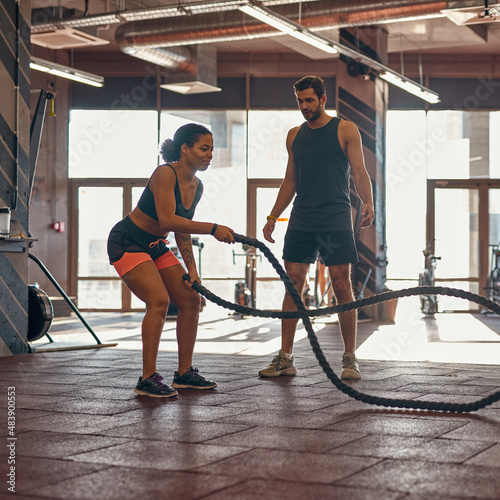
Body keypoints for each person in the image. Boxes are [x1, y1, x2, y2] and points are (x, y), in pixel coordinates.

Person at [259, 75, 374, 380]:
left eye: (309, 100)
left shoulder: (345, 129)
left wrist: (368, 202)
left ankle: (350, 358)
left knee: (340, 284)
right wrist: (272, 216)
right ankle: (285, 357)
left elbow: (360, 170)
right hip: (302, 218)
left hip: (335, 216)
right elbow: (290, 181)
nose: (304, 106)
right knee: (293, 283)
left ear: (323, 99)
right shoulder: (294, 135)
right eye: (300, 101)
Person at [107, 123, 235, 398]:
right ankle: (147, 378)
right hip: (128, 241)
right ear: (185, 149)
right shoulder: (165, 174)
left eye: (211, 149)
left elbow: (181, 228)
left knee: (190, 300)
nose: (209, 154)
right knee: (159, 301)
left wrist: (193, 270)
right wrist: (213, 228)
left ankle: (184, 373)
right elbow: (167, 219)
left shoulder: (196, 186)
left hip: (155, 246)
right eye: (204, 148)